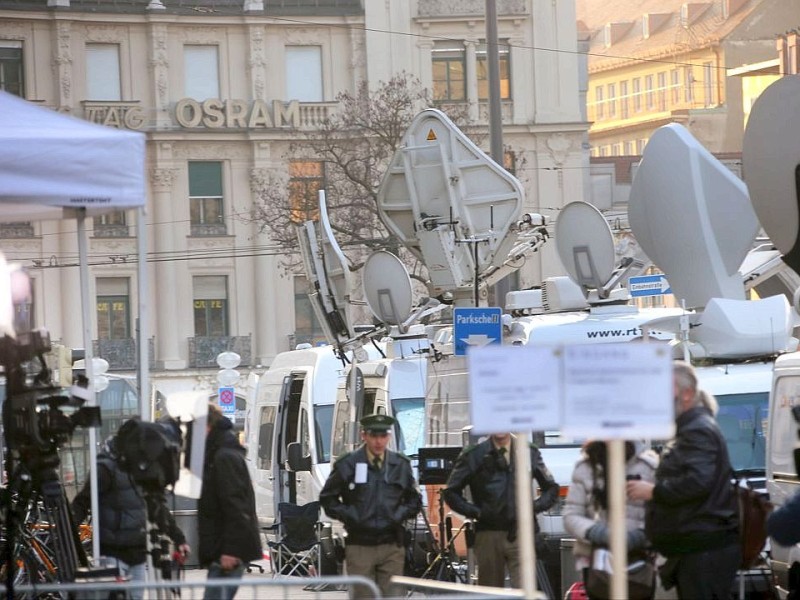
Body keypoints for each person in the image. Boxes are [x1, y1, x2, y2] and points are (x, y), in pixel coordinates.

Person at [627, 361, 740, 599]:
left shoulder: (697, 429)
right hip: (696, 548)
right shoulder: (692, 428)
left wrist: (653, 492)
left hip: (703, 549)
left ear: (687, 394)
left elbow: (699, 481)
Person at [72, 431, 191, 600]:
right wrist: (67, 532)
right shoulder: (105, 469)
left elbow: (158, 508)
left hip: (137, 552)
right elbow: (82, 502)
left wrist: (179, 538)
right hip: (112, 552)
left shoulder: (140, 469)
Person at [319, 413, 421, 600]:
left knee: (393, 595)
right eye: (374, 436)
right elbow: (328, 498)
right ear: (364, 435)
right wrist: (351, 515)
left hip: (391, 543)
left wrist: (398, 514)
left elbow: (414, 501)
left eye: (383, 436)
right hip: (360, 543)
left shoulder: (399, 464)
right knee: (363, 596)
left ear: (389, 436)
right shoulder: (348, 463)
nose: (378, 441)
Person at [442, 432, 559, 589]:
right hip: (488, 533)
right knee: (490, 590)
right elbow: (451, 492)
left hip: (521, 532)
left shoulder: (528, 451)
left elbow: (551, 488)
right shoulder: (475, 454)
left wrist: (533, 507)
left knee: (525, 590)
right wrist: (477, 512)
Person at [563, 440, 658, 596]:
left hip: (640, 561)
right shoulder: (586, 466)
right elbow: (571, 515)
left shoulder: (648, 465)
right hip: (596, 564)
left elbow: (661, 514)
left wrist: (640, 536)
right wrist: (599, 532)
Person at [198, 403, 262, 600]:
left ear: (206, 426)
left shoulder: (223, 456)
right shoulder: (219, 452)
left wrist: (231, 550)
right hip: (221, 547)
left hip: (226, 551)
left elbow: (236, 506)